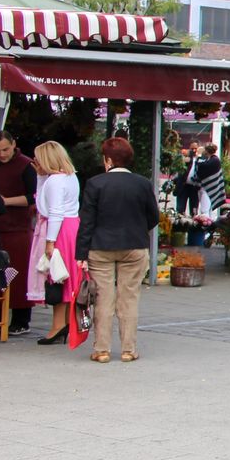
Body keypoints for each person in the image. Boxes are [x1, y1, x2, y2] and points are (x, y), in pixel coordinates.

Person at [76, 136, 160, 362]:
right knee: (129, 298)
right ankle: (128, 350)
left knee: (103, 298)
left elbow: (87, 221)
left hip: (100, 247)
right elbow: (153, 216)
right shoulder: (142, 183)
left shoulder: (95, 183)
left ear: (108, 160)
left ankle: (102, 350)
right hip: (134, 246)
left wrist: (81, 254)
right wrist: (138, 229)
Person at [28, 141, 82, 345]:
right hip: (71, 226)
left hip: (57, 229)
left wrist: (50, 242)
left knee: (56, 276)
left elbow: (53, 211)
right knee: (65, 275)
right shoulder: (70, 176)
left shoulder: (55, 181)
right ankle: (65, 322)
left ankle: (58, 325)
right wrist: (41, 177)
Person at [0, 130, 38, 336]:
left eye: (5, 149)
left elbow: (34, 196)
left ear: (13, 145)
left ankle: (21, 320)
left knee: (18, 275)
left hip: (18, 228)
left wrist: (6, 201)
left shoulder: (26, 165)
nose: (1, 154)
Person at [192, 143, 225, 218]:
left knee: (205, 209)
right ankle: (208, 223)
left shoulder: (214, 160)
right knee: (207, 209)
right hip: (204, 187)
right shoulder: (209, 159)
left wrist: (198, 160)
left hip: (208, 188)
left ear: (207, 150)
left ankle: (205, 223)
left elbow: (202, 168)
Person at [173, 143, 201, 215]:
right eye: (192, 149)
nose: (194, 150)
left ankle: (193, 215)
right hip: (184, 185)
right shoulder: (185, 157)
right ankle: (180, 216)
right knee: (180, 207)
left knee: (194, 207)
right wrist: (184, 159)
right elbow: (178, 166)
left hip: (194, 186)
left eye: (195, 148)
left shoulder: (200, 159)